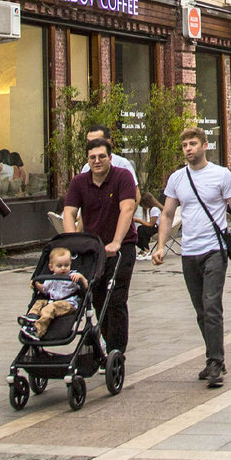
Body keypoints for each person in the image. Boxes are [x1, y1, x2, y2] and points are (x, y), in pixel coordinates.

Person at [153, 127, 231, 388]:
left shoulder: (221, 175)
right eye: (185, 144)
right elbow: (167, 214)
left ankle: (215, 362)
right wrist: (161, 245)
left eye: (193, 143)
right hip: (189, 252)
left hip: (214, 251)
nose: (188, 148)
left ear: (205, 146)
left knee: (211, 305)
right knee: (200, 310)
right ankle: (214, 356)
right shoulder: (177, 178)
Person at [63, 138, 137, 355]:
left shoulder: (122, 177)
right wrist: (71, 241)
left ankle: (116, 351)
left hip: (122, 247)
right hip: (92, 248)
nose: (97, 161)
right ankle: (107, 341)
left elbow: (127, 209)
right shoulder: (79, 182)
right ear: (87, 160)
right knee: (96, 298)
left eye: (102, 156)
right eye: (92, 157)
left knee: (115, 298)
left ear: (110, 158)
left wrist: (116, 241)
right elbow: (69, 212)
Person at [18, 246, 88, 339]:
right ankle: (32, 316)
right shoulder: (51, 278)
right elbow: (45, 290)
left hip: (68, 304)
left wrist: (81, 278)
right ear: (51, 267)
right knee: (39, 302)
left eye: (66, 265)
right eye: (59, 266)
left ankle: (38, 330)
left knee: (49, 309)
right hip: (53, 301)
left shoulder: (72, 277)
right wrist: (36, 285)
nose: (63, 268)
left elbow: (86, 287)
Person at [81, 126, 140, 195]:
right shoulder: (86, 168)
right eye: (89, 142)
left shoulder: (122, 164)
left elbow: (135, 194)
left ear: (108, 142)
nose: (91, 146)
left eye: (96, 142)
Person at [133, 192, 161, 260]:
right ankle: (144, 248)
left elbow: (151, 224)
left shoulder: (154, 209)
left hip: (157, 228)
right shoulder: (152, 209)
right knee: (139, 231)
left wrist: (138, 220)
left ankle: (146, 249)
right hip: (154, 227)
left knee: (141, 229)